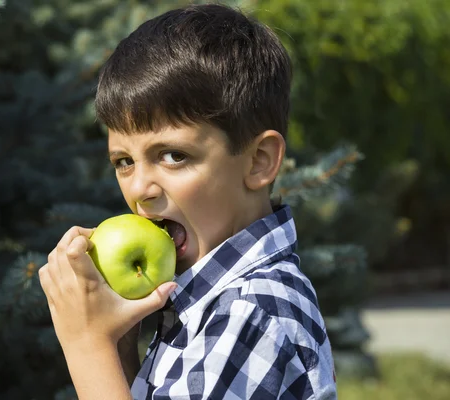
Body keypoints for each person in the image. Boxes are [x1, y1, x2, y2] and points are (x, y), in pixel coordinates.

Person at [38, 3, 337, 399]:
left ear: (258, 161)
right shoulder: (206, 301)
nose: (140, 188)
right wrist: (118, 348)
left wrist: (86, 345)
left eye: (173, 155)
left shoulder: (249, 311)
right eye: (124, 161)